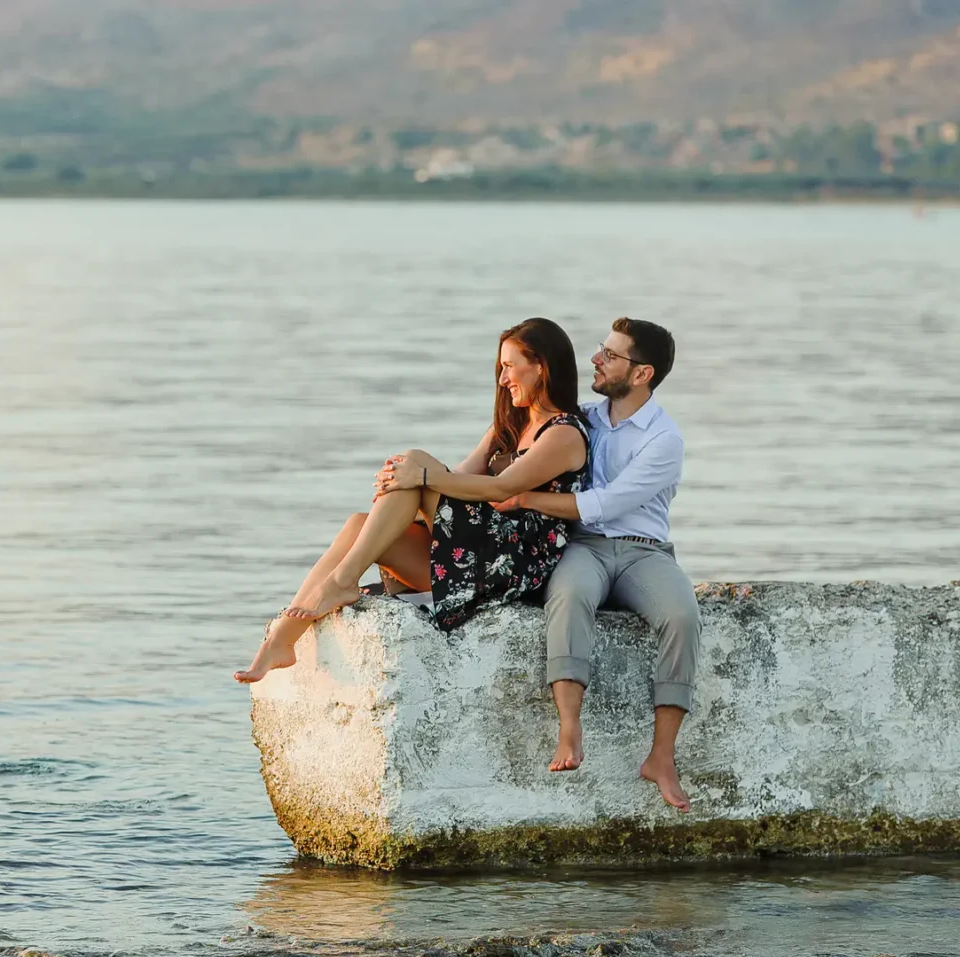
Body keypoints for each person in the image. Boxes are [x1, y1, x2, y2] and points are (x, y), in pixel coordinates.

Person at [234, 318, 590, 684]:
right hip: (473, 555)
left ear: (541, 367)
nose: (502, 379)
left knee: (416, 462)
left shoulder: (563, 434)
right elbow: (462, 476)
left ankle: (340, 584)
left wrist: (418, 476)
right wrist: (405, 482)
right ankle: (282, 638)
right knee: (361, 523)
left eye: (510, 367)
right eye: (500, 369)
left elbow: (501, 489)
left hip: (512, 564)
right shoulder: (508, 425)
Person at [492, 317, 699, 812]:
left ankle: (662, 757)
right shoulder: (580, 418)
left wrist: (524, 499)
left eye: (610, 355)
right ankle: (569, 729)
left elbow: (606, 503)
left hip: (642, 551)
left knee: (683, 615)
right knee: (569, 596)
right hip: (582, 546)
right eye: (600, 350)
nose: (596, 360)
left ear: (643, 373)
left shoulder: (664, 440)